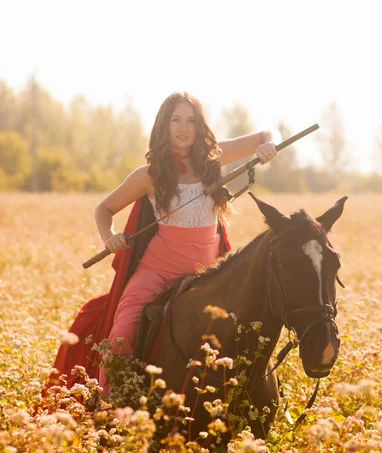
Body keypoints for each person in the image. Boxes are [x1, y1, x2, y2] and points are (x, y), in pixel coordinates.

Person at [48, 92, 280, 395]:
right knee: (122, 334)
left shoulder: (214, 158)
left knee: (248, 329)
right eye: (176, 120)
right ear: (164, 125)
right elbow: (102, 209)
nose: (183, 128)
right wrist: (110, 236)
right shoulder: (149, 175)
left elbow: (267, 133)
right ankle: (110, 406)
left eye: (191, 121)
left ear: (199, 127)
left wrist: (269, 146)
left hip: (208, 274)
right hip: (156, 272)